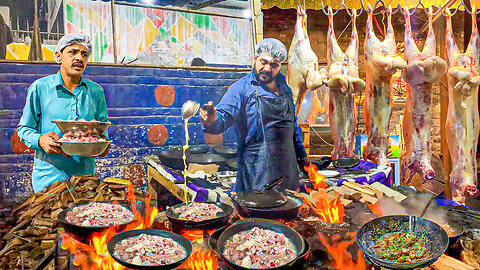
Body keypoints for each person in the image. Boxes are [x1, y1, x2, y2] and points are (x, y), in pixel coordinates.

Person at [200, 38, 309, 192]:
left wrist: (302, 156)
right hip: (256, 174)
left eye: (274, 65)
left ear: (280, 67)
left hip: (288, 173)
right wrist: (211, 120)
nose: (267, 68)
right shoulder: (242, 89)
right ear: (255, 59)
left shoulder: (285, 87)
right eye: (263, 61)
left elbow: (292, 124)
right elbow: (222, 118)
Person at [17, 33, 109, 192]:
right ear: (58, 56)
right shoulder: (40, 88)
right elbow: (24, 129)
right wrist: (40, 140)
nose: (79, 58)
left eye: (84, 54)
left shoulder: (96, 91)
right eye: (73, 52)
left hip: (85, 179)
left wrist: (102, 145)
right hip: (49, 180)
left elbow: (103, 129)